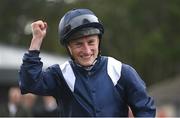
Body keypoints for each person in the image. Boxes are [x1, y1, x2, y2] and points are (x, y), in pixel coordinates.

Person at [19, 8, 156, 117]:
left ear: (98, 42)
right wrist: (37, 40)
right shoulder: (60, 74)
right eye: (79, 44)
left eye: (91, 42)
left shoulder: (121, 71)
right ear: (69, 48)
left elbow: (145, 109)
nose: (87, 50)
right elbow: (29, 83)